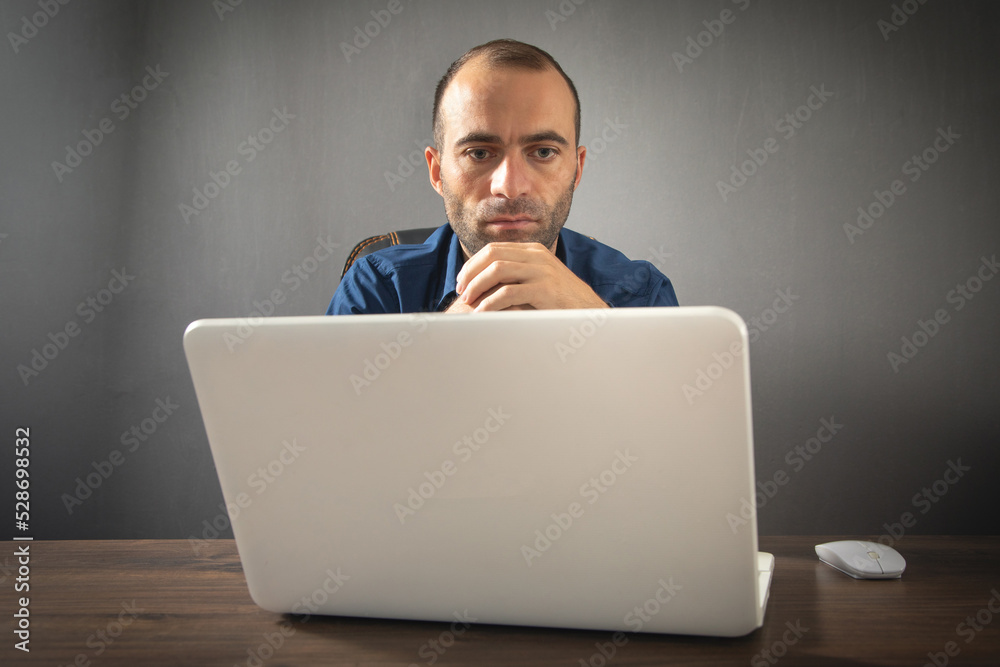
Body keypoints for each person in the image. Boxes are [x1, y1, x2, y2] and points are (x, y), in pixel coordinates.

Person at [327, 39, 678, 315]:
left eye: (543, 152)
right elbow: (332, 406)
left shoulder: (640, 292)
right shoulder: (378, 288)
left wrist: (596, 320)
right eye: (479, 153)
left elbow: (676, 405)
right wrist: (444, 338)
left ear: (577, 168)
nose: (510, 186)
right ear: (437, 172)